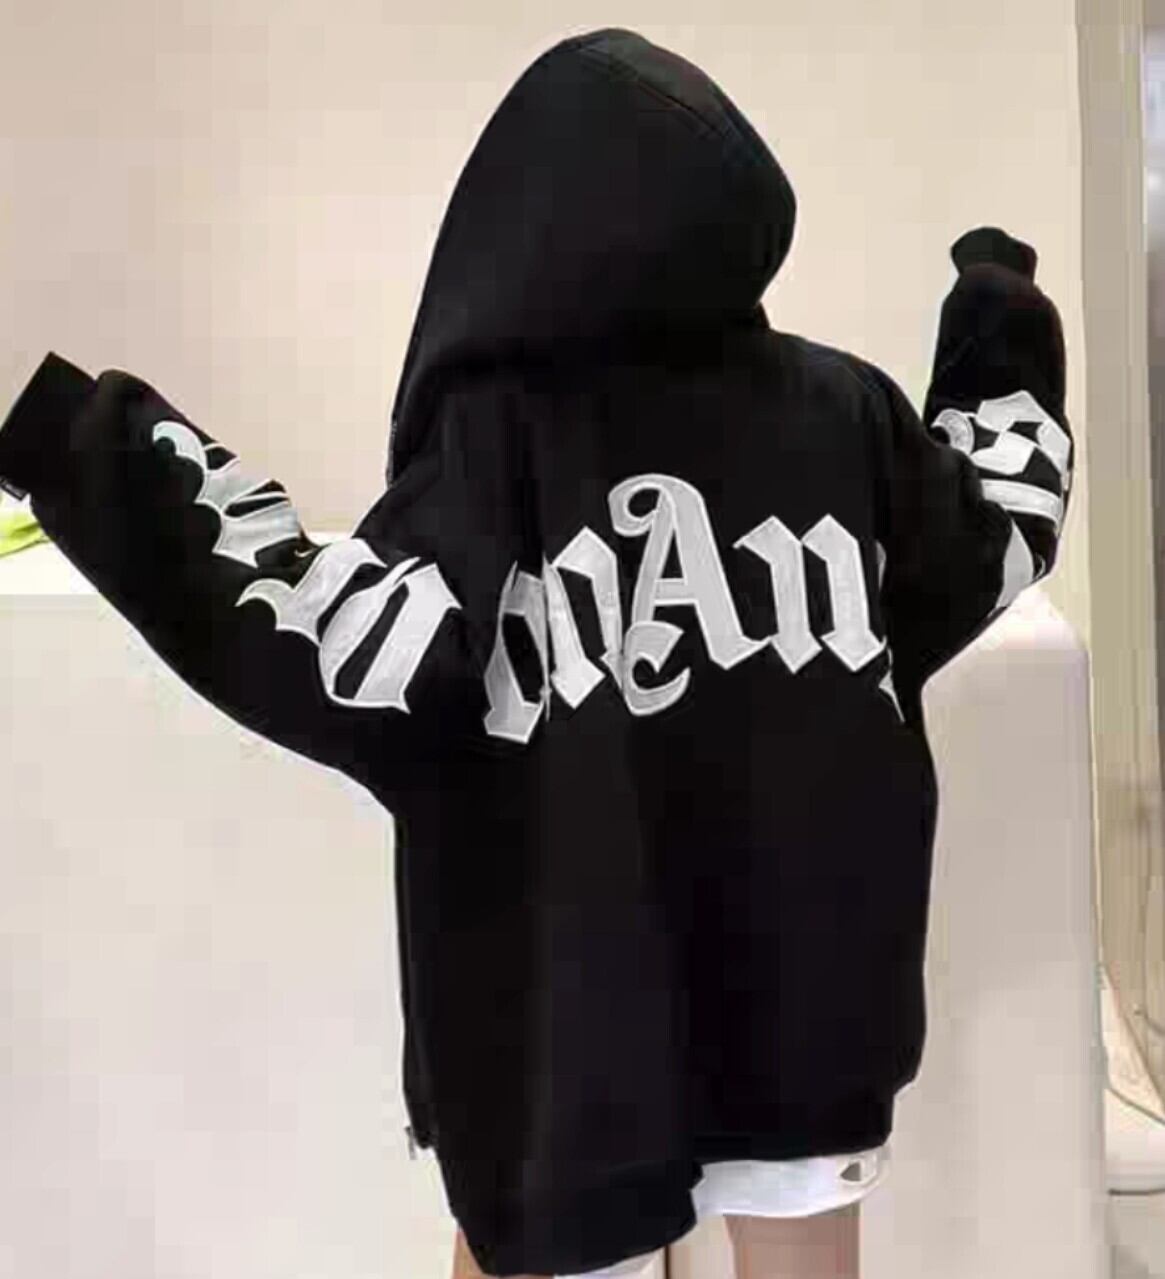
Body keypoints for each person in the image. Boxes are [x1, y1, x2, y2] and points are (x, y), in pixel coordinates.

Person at [0, 27, 1070, 1279]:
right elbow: (997, 527)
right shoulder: (843, 413)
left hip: (564, 1038)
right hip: (813, 1011)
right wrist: (995, 311)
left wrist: (88, 447)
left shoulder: (491, 444)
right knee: (803, 1253)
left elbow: (333, 641)